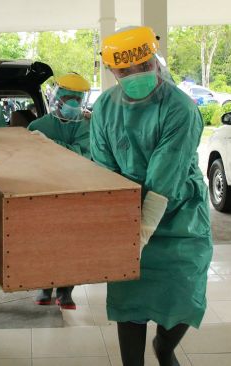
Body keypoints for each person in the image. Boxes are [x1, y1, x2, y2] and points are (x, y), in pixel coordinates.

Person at [91, 26, 213, 366]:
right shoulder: (104, 108)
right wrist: (114, 230)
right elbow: (105, 172)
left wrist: (140, 233)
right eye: (124, 71)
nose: (134, 76)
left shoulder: (180, 109)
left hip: (180, 220)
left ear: (155, 62)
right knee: (129, 303)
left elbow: (165, 178)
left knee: (184, 296)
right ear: (113, 71)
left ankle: (165, 345)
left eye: (141, 66)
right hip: (126, 215)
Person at [28, 72, 92, 310]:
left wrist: (50, 146)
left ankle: (66, 291)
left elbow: (83, 155)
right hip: (44, 192)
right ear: (57, 98)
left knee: (72, 243)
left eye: (77, 99)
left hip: (77, 192)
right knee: (44, 240)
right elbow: (31, 161)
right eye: (68, 99)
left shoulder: (87, 126)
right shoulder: (38, 126)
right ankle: (44, 286)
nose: (72, 104)